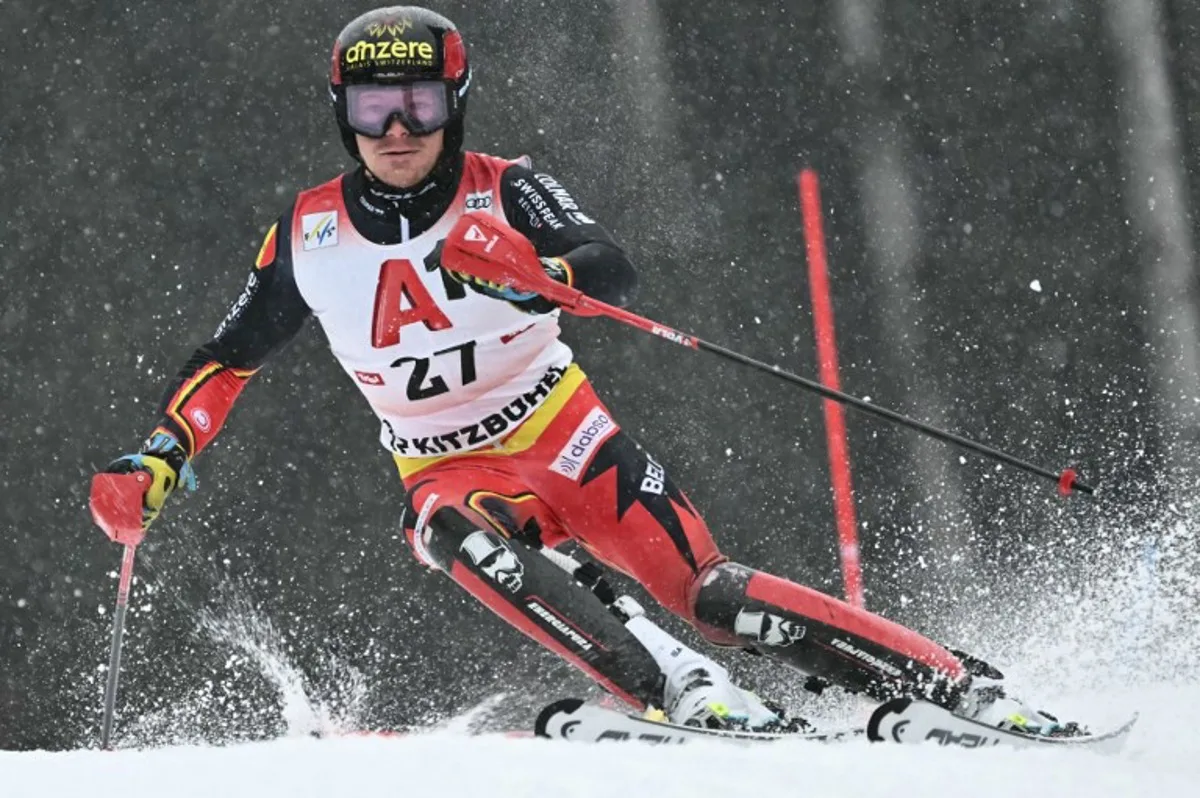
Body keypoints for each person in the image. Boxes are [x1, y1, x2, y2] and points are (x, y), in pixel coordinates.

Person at [90, 6, 1060, 734]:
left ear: (453, 104)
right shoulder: (309, 233)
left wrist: (534, 276)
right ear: (343, 113)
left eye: (420, 103)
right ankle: (673, 691)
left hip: (569, 438)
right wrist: (157, 460)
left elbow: (607, 266)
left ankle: (956, 687)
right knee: (446, 533)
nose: (397, 129)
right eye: (373, 106)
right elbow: (229, 356)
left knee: (712, 596)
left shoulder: (506, 185)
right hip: (446, 468)